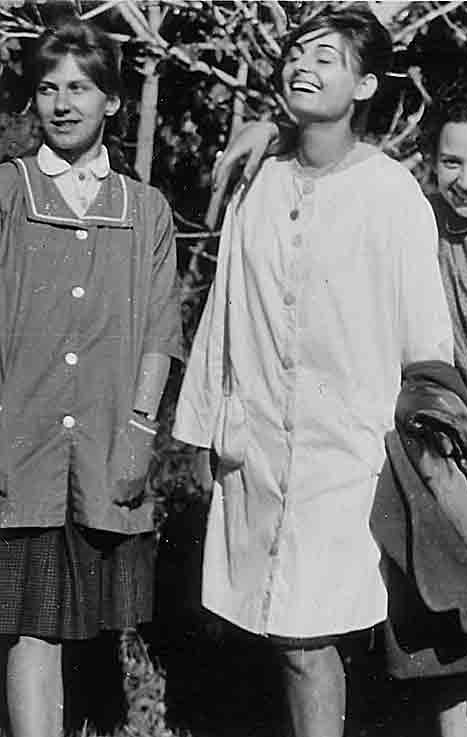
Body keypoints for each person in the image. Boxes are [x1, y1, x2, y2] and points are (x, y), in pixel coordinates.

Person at [213, 83, 467, 736]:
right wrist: (273, 130)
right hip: (445, 487)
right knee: (452, 658)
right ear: (432, 161)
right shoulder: (411, 223)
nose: (466, 180)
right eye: (451, 162)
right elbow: (338, 156)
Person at [172, 5, 454, 737]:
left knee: (306, 636)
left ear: (365, 85)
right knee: (282, 631)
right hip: (259, 444)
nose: (303, 65)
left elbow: (426, 339)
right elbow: (226, 310)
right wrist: (204, 431)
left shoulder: (391, 193)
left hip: (350, 455)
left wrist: (426, 453)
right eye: (297, 52)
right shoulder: (260, 184)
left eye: (327, 58)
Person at [0, 19, 182, 737]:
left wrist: (139, 428)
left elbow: (160, 328)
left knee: (90, 632)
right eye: (48, 89)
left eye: (80, 88)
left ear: (112, 100)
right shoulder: (9, 191)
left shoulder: (145, 208)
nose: (63, 103)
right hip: (21, 451)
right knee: (30, 627)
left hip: (106, 446)